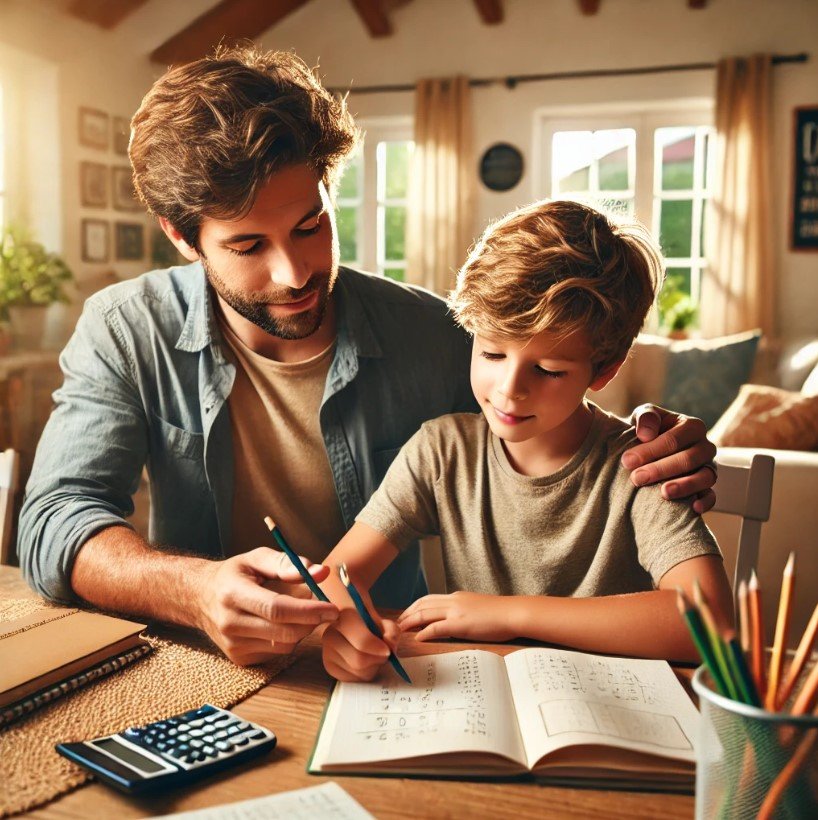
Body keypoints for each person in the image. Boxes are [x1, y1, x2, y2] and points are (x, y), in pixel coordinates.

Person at [18, 46, 719, 667]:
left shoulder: (437, 334)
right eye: (247, 246)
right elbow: (54, 520)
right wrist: (195, 589)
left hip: (395, 659)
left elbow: (553, 390)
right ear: (181, 236)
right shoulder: (125, 329)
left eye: (310, 225)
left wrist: (658, 437)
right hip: (203, 660)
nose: (295, 272)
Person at [321, 199, 734, 681]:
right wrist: (345, 629)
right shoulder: (442, 452)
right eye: (492, 352)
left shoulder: (642, 464)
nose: (510, 389)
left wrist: (508, 613)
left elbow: (711, 624)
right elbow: (337, 578)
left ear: (604, 371)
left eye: (549, 370)